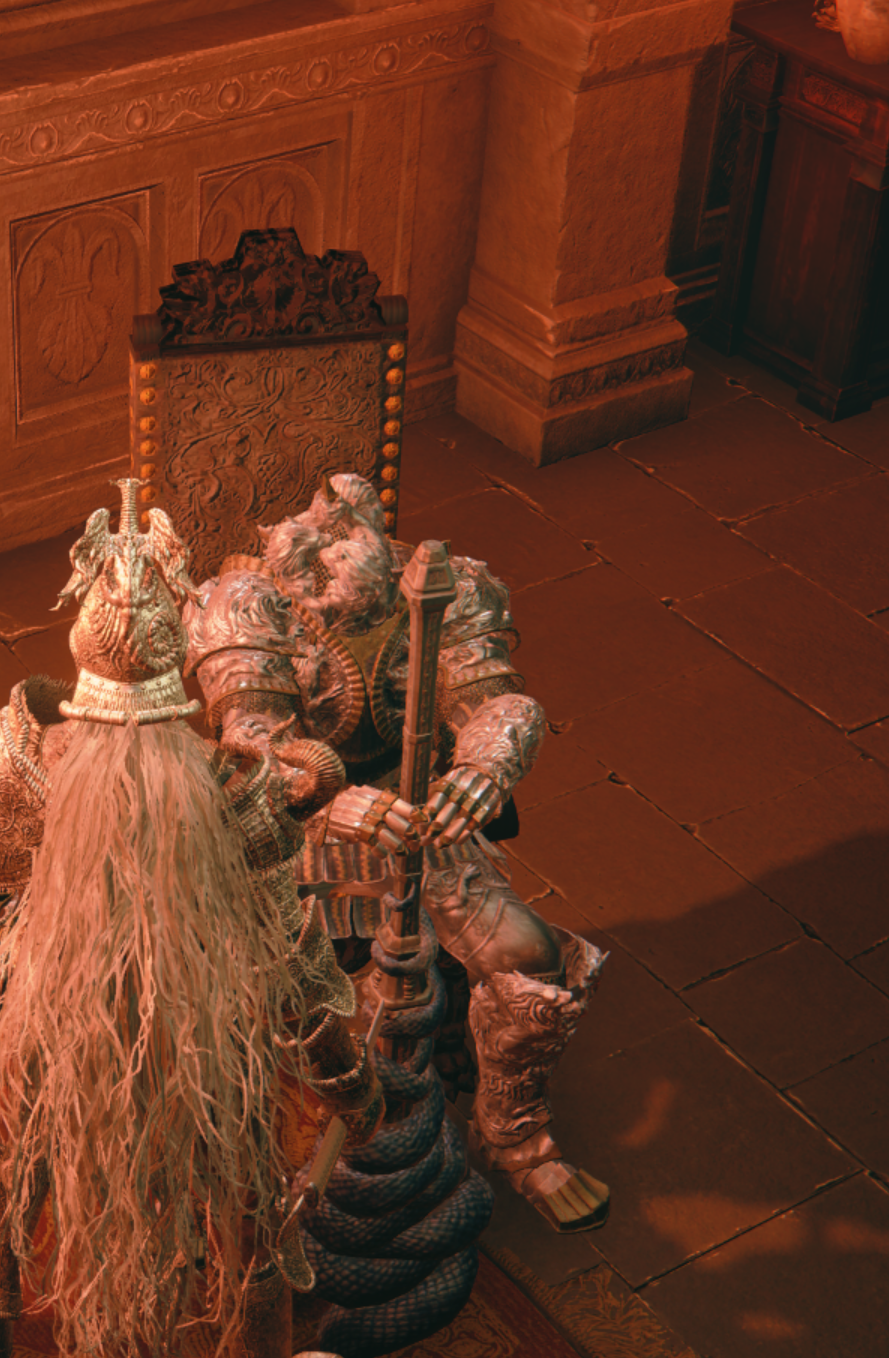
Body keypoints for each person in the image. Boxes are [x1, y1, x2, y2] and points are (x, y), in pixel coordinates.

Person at [0, 481, 380, 1358]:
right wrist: (351, 1082)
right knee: (246, 1194)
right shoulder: (236, 796)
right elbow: (289, 967)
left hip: (48, 1037)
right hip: (197, 1056)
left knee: (11, 1088)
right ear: (176, 671)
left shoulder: (4, 765)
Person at [184, 472, 611, 1234]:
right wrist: (329, 799)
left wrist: (482, 769)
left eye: (344, 542)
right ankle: (257, 1162)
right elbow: (252, 746)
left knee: (528, 956)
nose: (324, 561)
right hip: (294, 830)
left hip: (419, 817)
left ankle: (514, 1134)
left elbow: (498, 703)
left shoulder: (442, 590)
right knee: (256, 1004)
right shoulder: (243, 606)